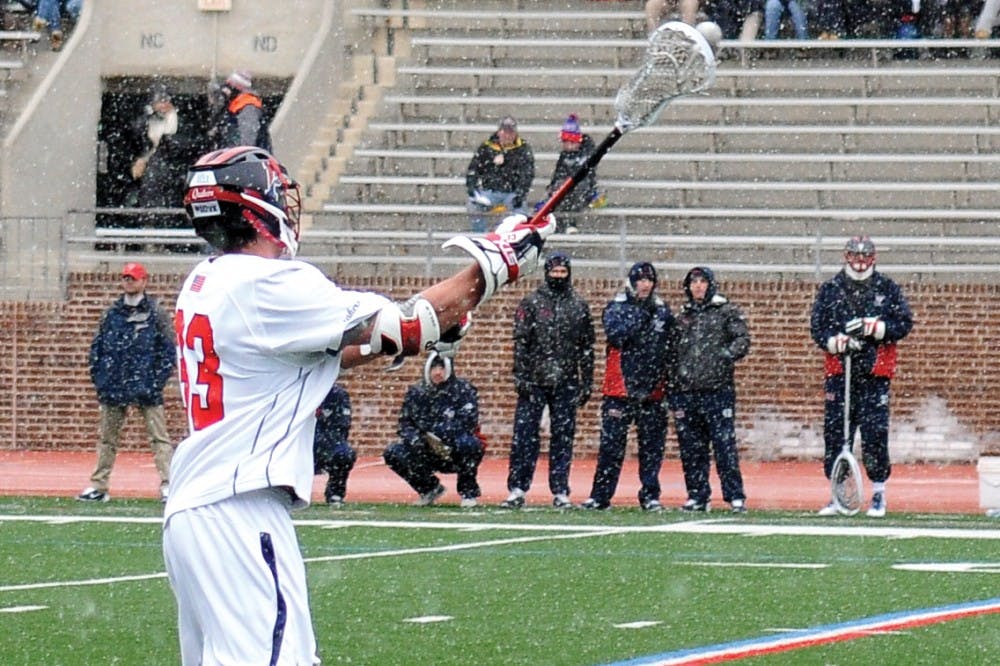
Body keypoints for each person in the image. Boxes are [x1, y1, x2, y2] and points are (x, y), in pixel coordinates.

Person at [164, 145, 555, 664]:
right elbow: (406, 323)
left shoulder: (207, 280)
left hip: (195, 512)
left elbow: (328, 349)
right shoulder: (268, 284)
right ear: (257, 208)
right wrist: (495, 266)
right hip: (239, 510)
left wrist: (425, 324)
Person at [810, 236, 913, 519]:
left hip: (873, 373)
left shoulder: (887, 288)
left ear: (873, 257)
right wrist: (836, 342)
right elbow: (817, 327)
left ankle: (878, 492)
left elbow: (903, 323)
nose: (859, 261)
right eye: (854, 255)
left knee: (874, 434)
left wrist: (877, 328)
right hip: (840, 372)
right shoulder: (831, 289)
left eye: (864, 255)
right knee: (836, 435)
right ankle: (838, 492)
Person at [500, 252, 595, 510]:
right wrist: (520, 374)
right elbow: (521, 342)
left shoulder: (578, 305)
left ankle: (561, 489)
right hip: (534, 379)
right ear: (546, 273)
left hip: (565, 380)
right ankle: (518, 488)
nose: (558, 277)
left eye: (562, 273)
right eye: (554, 272)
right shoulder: (531, 303)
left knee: (563, 436)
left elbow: (587, 347)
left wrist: (586, 380)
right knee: (524, 436)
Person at [77, 262, 175, 503]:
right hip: (114, 385)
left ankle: (168, 484)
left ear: (144, 281)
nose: (128, 282)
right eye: (126, 278)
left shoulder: (155, 312)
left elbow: (168, 349)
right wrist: (102, 379)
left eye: (133, 278)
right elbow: (97, 348)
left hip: (146, 387)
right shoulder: (112, 313)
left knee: (159, 438)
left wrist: (155, 381)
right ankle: (99, 485)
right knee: (107, 438)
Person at [580, 262, 674, 511]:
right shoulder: (617, 307)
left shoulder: (663, 312)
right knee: (611, 447)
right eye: (641, 280)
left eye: (649, 280)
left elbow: (668, 346)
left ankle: (650, 495)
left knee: (652, 448)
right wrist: (642, 315)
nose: (645, 284)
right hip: (619, 390)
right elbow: (617, 334)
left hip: (652, 391)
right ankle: (600, 495)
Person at [668, 267, 751, 513]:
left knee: (724, 446)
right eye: (693, 282)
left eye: (702, 281)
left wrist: (724, 356)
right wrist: (675, 387)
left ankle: (735, 496)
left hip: (718, 391)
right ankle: (697, 494)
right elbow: (672, 354)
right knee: (692, 448)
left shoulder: (726, 311)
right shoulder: (683, 316)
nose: (698, 286)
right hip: (688, 392)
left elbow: (742, 340)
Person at [383, 352, 484, 508]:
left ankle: (468, 492)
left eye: (442, 367)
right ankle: (429, 488)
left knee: (470, 445)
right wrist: (417, 440)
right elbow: (405, 424)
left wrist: (441, 437)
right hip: (425, 450)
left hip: (453, 449)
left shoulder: (463, 391)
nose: (438, 372)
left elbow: (467, 422)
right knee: (393, 452)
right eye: (434, 367)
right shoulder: (416, 393)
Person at [130, 86, 193, 231]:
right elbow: (137, 133)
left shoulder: (180, 120)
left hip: (174, 167)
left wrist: (169, 144)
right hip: (152, 166)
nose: (162, 106)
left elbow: (187, 143)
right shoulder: (149, 121)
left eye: (165, 101)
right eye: (158, 102)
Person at [465, 115, 535, 233]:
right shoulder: (487, 147)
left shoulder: (523, 149)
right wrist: (472, 187)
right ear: (499, 132)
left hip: (511, 193)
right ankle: (481, 235)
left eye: (510, 132)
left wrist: (521, 193)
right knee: (473, 206)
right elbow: (474, 169)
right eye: (504, 132)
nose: (507, 136)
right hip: (490, 192)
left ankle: (512, 239)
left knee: (520, 213)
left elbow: (527, 173)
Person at [541, 114, 604, 234]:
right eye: (566, 143)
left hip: (582, 188)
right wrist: (552, 187)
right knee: (559, 191)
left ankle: (570, 222)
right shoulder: (564, 155)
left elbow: (589, 175)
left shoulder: (587, 153)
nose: (568, 146)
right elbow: (558, 172)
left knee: (575, 189)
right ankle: (558, 223)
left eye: (571, 143)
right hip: (566, 188)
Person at [313, 384, 356, 508]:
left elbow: (342, 427)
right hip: (296, 442)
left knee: (345, 454)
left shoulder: (337, 394)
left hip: (326, 443)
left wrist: (320, 442)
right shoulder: (295, 389)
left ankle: (335, 492)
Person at [208, 69, 273, 152]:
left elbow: (248, 140)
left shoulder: (248, 106)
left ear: (237, 87)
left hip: (248, 160)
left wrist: (240, 156)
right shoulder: (233, 106)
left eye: (229, 85)